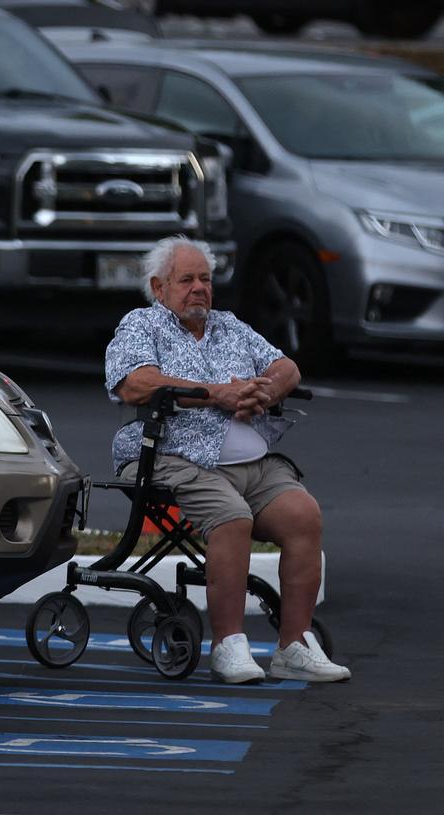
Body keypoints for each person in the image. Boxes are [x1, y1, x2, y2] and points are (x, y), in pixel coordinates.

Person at [104, 235, 350, 684]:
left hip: (250, 463)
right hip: (173, 455)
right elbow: (134, 384)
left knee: (304, 515)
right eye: (187, 280)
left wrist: (266, 390)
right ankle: (228, 647)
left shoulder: (228, 325)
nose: (199, 288)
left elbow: (286, 367)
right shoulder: (142, 325)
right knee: (232, 517)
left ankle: (293, 646)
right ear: (160, 288)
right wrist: (218, 394)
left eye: (205, 279)